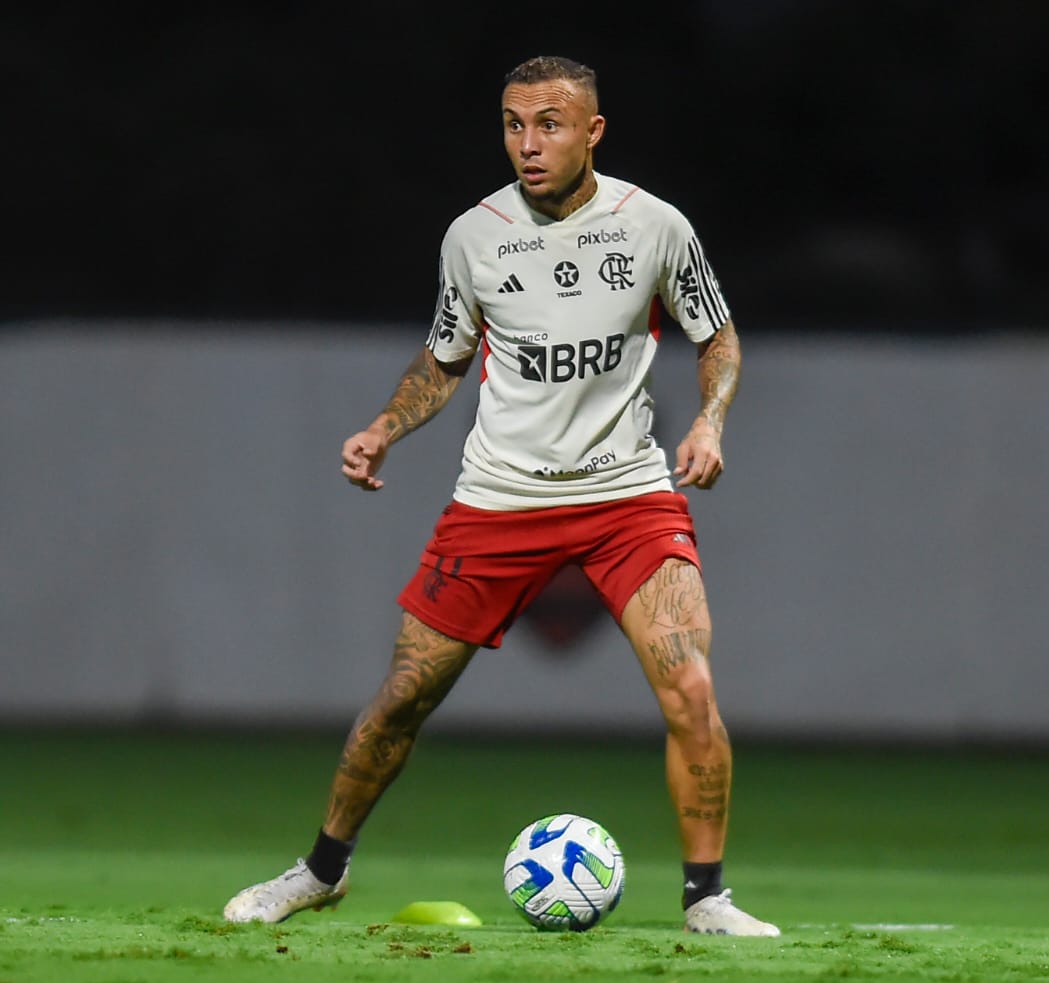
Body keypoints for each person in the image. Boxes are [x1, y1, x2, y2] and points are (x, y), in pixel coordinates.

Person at [223, 55, 778, 936]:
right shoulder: (473, 236)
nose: (529, 143)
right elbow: (445, 357)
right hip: (499, 500)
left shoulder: (654, 226)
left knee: (691, 685)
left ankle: (706, 897)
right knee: (404, 694)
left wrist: (710, 420)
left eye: (549, 124)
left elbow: (718, 336)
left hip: (626, 497)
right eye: (515, 124)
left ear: (593, 132)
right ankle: (320, 871)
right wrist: (386, 426)